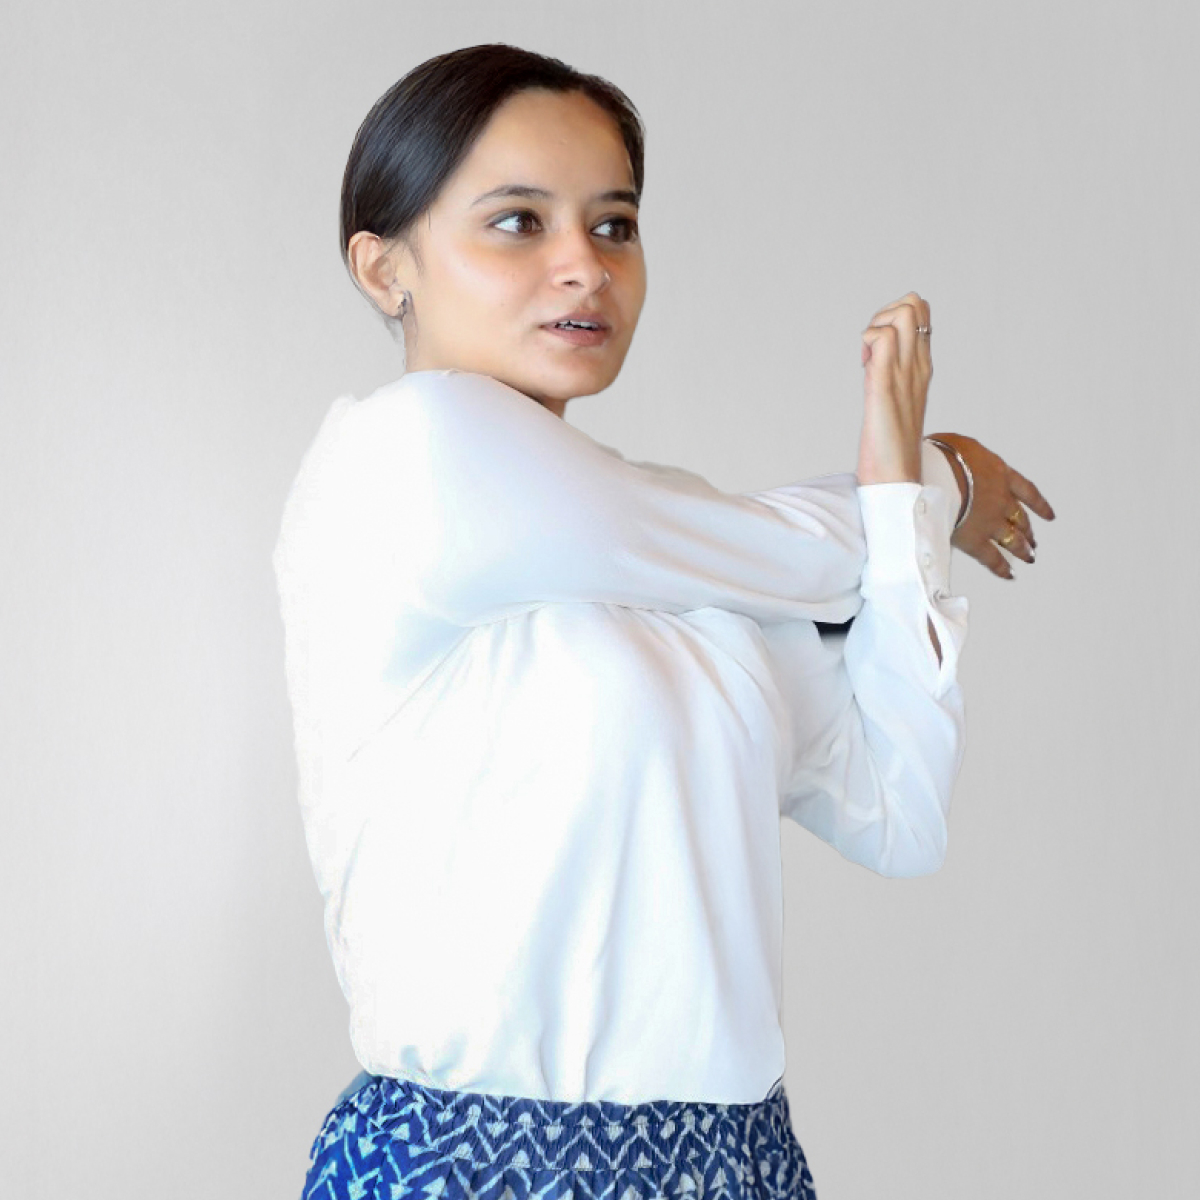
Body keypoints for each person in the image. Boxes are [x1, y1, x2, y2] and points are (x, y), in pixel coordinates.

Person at [272, 43, 1056, 1200]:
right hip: (472, 1169)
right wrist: (928, 485)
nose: (583, 266)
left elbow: (900, 815)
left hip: (738, 1164)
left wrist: (902, 508)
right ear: (384, 268)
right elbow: (772, 547)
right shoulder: (402, 455)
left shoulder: (696, 583)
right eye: (518, 222)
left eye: (615, 225)